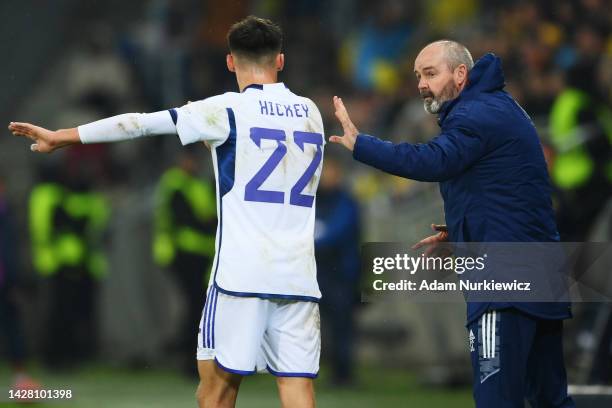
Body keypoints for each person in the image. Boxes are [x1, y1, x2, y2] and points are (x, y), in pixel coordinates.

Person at [9, 16, 324, 408]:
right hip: (298, 276)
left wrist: (63, 136)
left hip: (240, 274)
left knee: (217, 390)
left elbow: (138, 124)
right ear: (280, 61)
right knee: (296, 387)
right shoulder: (311, 112)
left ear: (230, 62)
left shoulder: (226, 110)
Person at [330, 40, 575, 407]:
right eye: (418, 76)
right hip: (539, 276)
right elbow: (513, 192)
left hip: (503, 284)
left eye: (431, 73)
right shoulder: (501, 107)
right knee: (549, 400)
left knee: (496, 400)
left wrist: (362, 145)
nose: (421, 84)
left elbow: (433, 161)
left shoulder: (476, 113)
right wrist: (460, 230)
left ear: (461, 74)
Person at [153, 150, 217, 376]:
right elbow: (186, 218)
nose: (193, 163)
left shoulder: (196, 184)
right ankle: (188, 359)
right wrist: (210, 223)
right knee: (194, 306)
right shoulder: (175, 183)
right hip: (181, 253)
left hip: (199, 254)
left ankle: (190, 355)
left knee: (196, 306)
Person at [314, 156, 360, 386]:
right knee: (317, 326)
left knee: (342, 326)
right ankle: (325, 370)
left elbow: (337, 233)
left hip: (341, 274)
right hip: (318, 272)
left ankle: (344, 374)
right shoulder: (316, 200)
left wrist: (310, 239)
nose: (325, 177)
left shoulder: (346, 201)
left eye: (330, 171)